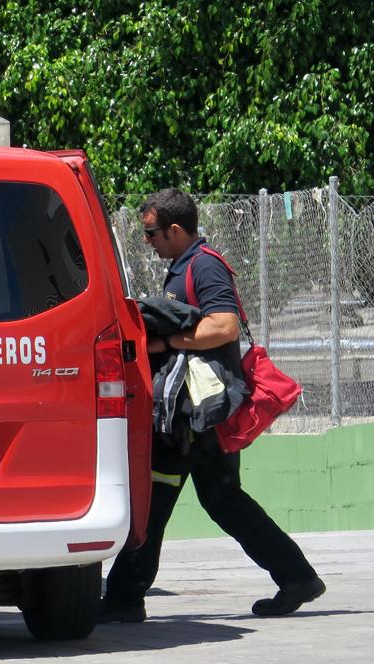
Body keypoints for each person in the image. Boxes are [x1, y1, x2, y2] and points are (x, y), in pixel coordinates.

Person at [100, 188, 326, 622]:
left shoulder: (203, 266)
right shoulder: (182, 266)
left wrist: (165, 341)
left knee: (158, 495)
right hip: (191, 411)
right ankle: (296, 576)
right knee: (220, 499)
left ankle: (126, 596)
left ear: (176, 229)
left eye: (152, 233)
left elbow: (222, 326)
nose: (148, 242)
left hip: (196, 411)